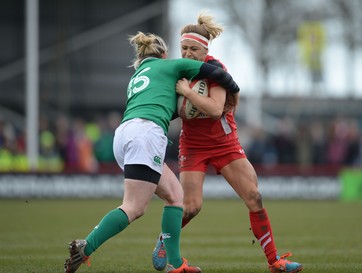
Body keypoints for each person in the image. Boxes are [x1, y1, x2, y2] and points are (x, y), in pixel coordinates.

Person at [63, 31, 240, 273]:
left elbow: (163, 102)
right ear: (164, 54)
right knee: (134, 207)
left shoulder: (137, 75)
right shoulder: (170, 66)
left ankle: (176, 265)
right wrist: (234, 91)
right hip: (146, 134)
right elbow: (216, 74)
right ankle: (86, 247)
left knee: (176, 196)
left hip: (125, 134)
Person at [152, 12, 303, 273]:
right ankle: (164, 242)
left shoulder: (215, 70)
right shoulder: (176, 71)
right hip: (193, 146)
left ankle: (275, 262)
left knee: (254, 197)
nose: (187, 53)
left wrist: (187, 92)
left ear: (205, 50)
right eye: (183, 48)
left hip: (225, 144)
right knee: (190, 207)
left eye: (193, 49)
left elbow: (214, 109)